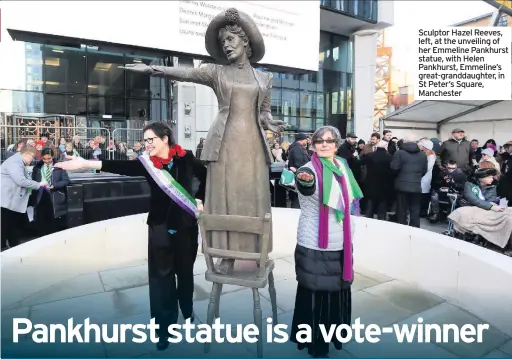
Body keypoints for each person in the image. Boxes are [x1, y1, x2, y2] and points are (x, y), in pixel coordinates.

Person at [118, 8, 285, 260]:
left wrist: (269, 123)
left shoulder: (265, 78)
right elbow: (185, 73)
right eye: (222, 42)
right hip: (224, 143)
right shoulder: (216, 72)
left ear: (245, 41)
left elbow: (263, 112)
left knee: (251, 196)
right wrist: (153, 70)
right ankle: (225, 249)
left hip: (252, 145)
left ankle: (253, 250)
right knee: (224, 196)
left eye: (230, 39)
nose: (226, 45)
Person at [55, 122, 207, 350]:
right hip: (159, 227)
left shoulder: (186, 158)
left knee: (185, 274)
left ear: (165, 139)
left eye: (150, 140)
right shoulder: (147, 164)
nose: (146, 145)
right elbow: (120, 166)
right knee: (161, 279)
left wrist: (201, 199)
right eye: (145, 140)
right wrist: (85, 163)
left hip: (186, 226)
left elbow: (206, 175)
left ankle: (187, 310)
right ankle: (163, 329)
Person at [290, 126, 363, 358]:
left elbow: (351, 200)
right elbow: (306, 187)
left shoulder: (342, 166)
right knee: (316, 292)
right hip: (315, 241)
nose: (324, 144)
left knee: (336, 291)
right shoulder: (307, 169)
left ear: (336, 144)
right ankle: (316, 343)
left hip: (341, 238)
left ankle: (333, 336)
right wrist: (306, 181)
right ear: (312, 145)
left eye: (329, 141)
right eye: (319, 141)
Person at [450, 168, 512, 255]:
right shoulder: (469, 185)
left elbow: (492, 199)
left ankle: (508, 246)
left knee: (508, 218)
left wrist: (492, 204)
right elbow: (473, 200)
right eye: (490, 177)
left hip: (488, 208)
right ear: (482, 177)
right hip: (473, 207)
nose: (492, 179)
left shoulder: (492, 186)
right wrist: (490, 206)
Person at [1, 146, 47, 249]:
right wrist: (38, 184)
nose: (33, 159)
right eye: (33, 157)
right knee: (5, 224)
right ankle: (4, 247)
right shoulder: (15, 163)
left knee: (10, 224)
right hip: (6, 200)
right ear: (26, 154)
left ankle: (11, 244)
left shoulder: (18, 161)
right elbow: (20, 181)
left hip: (10, 200)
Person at [29, 148, 70, 236]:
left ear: (53, 157)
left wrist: (55, 185)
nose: (47, 161)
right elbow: (33, 181)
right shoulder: (37, 168)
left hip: (54, 196)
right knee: (40, 218)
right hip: (40, 196)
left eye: (49, 158)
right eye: (44, 159)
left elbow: (66, 180)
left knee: (53, 219)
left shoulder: (59, 167)